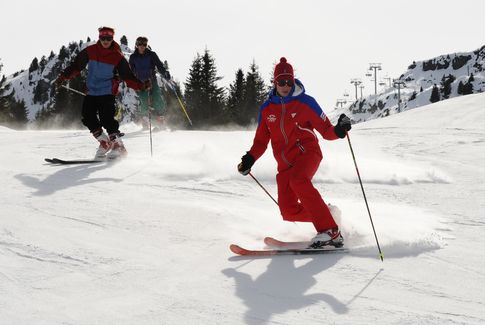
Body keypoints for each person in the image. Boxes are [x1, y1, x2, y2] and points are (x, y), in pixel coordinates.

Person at [237, 57, 352, 249]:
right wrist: (249, 159)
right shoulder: (267, 109)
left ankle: (331, 231)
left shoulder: (306, 103)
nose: (285, 86)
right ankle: (328, 214)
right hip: (285, 164)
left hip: (308, 154)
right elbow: (260, 141)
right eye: (281, 82)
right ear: (275, 83)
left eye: (289, 82)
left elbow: (326, 130)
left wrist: (339, 130)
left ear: (293, 81)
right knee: (288, 211)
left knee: (299, 180)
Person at [55, 27, 149, 159]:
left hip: (107, 91)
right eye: (103, 38)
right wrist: (62, 77)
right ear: (99, 38)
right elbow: (76, 65)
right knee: (87, 117)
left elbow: (128, 76)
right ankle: (104, 142)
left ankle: (118, 146)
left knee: (106, 118)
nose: (105, 41)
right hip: (92, 91)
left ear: (112, 38)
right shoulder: (90, 51)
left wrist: (142, 85)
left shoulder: (117, 56)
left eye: (109, 38)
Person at [129, 36, 171, 130]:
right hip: (140, 82)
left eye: (144, 44)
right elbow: (130, 70)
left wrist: (165, 73)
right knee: (143, 101)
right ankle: (145, 122)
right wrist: (130, 80)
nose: (142, 46)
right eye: (140, 43)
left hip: (151, 80)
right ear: (136, 45)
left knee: (157, 98)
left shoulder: (151, 54)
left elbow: (159, 66)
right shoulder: (133, 57)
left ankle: (161, 121)